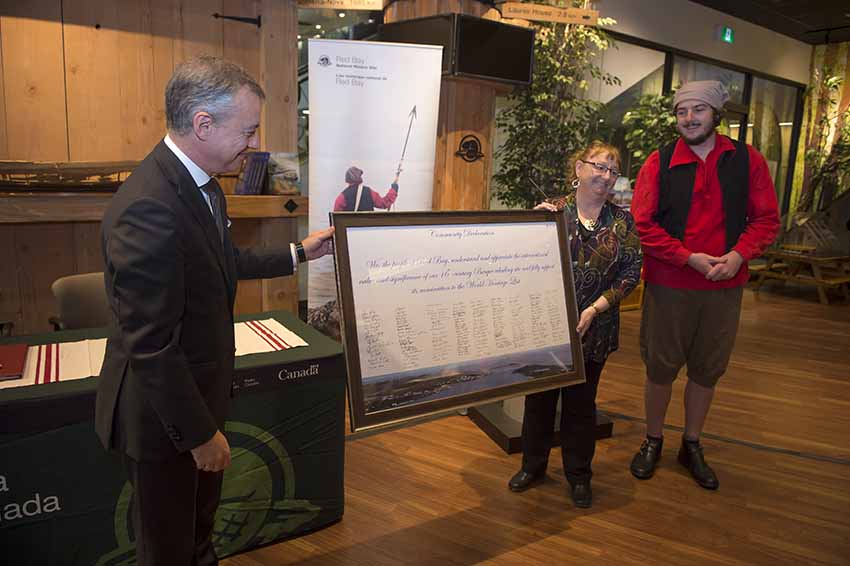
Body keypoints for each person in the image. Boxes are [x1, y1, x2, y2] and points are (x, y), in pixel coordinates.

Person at [95, 56, 334, 566]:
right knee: (169, 549)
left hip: (195, 403)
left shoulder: (200, 185)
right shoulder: (151, 207)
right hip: (165, 422)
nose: (253, 145)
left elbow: (223, 262)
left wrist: (299, 253)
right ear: (203, 124)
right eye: (247, 131)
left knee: (197, 537)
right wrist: (200, 435)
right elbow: (151, 345)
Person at [629, 80, 780, 490]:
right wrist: (687, 257)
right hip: (669, 284)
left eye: (698, 110)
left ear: (716, 115)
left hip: (723, 287)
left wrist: (737, 256)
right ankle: (653, 439)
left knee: (707, 369)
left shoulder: (748, 161)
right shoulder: (658, 163)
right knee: (660, 367)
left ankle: (691, 443)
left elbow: (767, 220)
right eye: (682, 111)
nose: (689, 118)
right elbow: (642, 225)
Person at [508, 141, 642, 508]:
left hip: (595, 329)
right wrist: (529, 226)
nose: (606, 176)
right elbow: (520, 259)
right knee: (539, 402)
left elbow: (632, 273)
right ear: (578, 169)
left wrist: (595, 308)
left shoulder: (623, 221)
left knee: (581, 407)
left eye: (613, 171)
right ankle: (532, 467)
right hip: (547, 326)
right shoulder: (553, 212)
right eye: (599, 167)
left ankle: (578, 476)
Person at [332, 165, 399, 211]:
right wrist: (394, 188)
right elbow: (384, 203)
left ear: (347, 179)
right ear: (360, 178)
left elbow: (336, 216)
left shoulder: (342, 197)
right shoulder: (370, 192)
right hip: (367, 229)